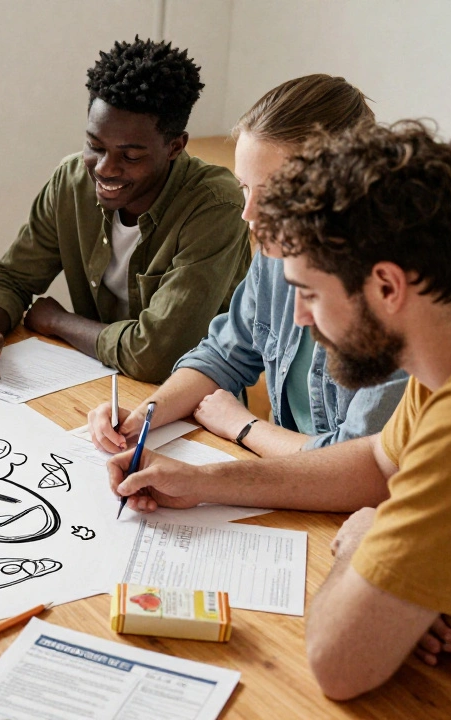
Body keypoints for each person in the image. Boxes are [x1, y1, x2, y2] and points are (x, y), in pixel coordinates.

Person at [107, 121, 451, 703]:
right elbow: (378, 465)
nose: (301, 319)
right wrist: (204, 481)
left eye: (309, 293)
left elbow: (338, 664)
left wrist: (369, 539)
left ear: (386, 286)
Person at [89, 75, 407, 456]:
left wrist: (243, 425)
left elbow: (356, 462)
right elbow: (223, 355)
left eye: (273, 194)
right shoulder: (276, 255)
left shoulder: (394, 297)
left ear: (343, 189)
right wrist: (142, 418)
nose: (249, 214)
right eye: (245, 187)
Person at [0, 37, 250, 383]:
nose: (105, 168)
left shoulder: (215, 207)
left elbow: (156, 356)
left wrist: (58, 322)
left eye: (131, 156)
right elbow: (13, 278)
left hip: (190, 406)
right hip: (95, 380)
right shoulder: (73, 181)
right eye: (95, 145)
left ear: (175, 146)